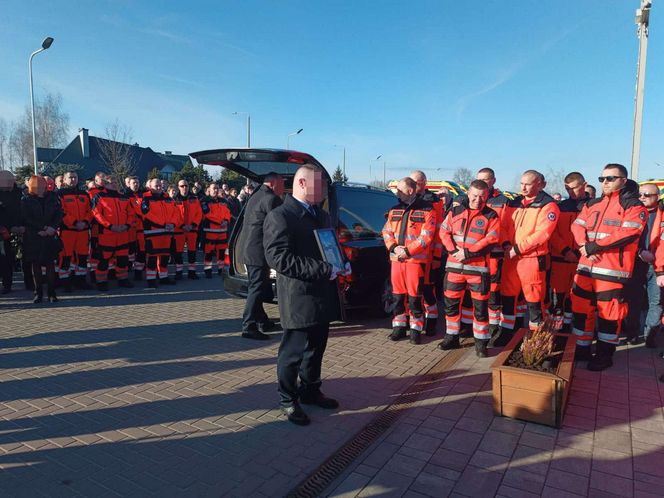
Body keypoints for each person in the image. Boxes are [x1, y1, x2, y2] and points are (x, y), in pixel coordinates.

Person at [263, 163, 347, 426]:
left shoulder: (320, 216)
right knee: (293, 353)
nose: (323, 190)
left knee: (316, 348)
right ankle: (288, 399)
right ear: (301, 183)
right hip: (299, 296)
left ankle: (311, 390)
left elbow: (329, 246)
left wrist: (342, 262)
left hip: (322, 293)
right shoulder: (281, 216)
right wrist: (324, 269)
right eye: (319, 184)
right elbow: (280, 258)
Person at [571, 164, 647, 371]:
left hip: (611, 271)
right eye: (602, 178)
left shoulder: (633, 206)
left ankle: (605, 355)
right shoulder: (592, 203)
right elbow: (577, 225)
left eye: (610, 178)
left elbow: (628, 233)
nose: (605, 182)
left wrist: (594, 246)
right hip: (586, 267)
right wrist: (583, 246)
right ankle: (582, 348)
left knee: (608, 316)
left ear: (623, 180)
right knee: (580, 311)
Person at [492, 170, 560, 347]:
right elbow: (504, 225)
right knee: (507, 296)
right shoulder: (515, 203)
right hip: (510, 257)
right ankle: (507, 332)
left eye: (528, 184)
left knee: (534, 301)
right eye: (521, 183)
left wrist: (518, 248)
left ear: (540, 184)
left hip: (531, 259)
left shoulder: (548, 205)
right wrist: (507, 244)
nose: (523, 187)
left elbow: (542, 234)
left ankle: (536, 340)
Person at [437, 180, 499, 357]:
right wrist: (453, 250)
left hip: (478, 271)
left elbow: (491, 241)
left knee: (480, 309)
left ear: (487, 196)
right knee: (451, 306)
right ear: (468, 194)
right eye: (474, 196)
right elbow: (444, 232)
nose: (477, 200)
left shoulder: (491, 216)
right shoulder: (455, 211)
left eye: (482, 196)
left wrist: (467, 253)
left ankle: (481, 343)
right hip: (454, 268)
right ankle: (452, 337)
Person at [383, 177, 436, 345]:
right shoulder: (394, 210)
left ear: (411, 191)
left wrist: (407, 251)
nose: (397, 193)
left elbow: (426, 237)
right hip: (396, 261)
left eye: (400, 190)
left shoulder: (428, 210)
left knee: (415, 298)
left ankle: (415, 329)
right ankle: (398, 327)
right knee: (397, 297)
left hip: (414, 262)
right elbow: (386, 231)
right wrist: (393, 248)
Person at [239, 173, 284, 340]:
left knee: (257, 286)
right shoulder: (271, 199)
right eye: (281, 183)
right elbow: (279, 225)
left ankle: (261, 320)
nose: (283, 187)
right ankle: (248, 325)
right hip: (258, 251)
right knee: (256, 288)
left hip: (249, 249)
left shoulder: (256, 195)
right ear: (273, 183)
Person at [624, 182, 663, 347]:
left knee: (656, 301)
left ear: (657, 197)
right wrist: (640, 252)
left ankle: (650, 335)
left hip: (657, 267)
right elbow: (625, 238)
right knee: (633, 300)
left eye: (647, 195)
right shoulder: (632, 213)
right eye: (640, 195)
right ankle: (632, 333)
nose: (642, 198)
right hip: (635, 263)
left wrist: (661, 269)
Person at [549, 172, 589, 330]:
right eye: (567, 189)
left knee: (577, 297)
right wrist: (565, 250)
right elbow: (553, 233)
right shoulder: (560, 207)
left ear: (584, 185)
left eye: (574, 188)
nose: (571, 192)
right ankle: (560, 329)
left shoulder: (593, 206)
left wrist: (581, 251)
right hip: (560, 259)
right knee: (557, 297)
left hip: (583, 260)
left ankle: (577, 328)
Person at [410, 170, 444, 336]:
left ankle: (431, 323)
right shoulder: (408, 200)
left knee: (428, 291)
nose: (414, 184)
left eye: (417, 181)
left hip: (428, 256)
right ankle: (416, 323)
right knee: (412, 292)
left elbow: (439, 232)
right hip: (410, 257)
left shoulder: (434, 202)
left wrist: (437, 256)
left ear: (424, 182)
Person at [21, 175, 63, 303]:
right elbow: (25, 217)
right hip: (34, 235)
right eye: (37, 184)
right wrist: (41, 228)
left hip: (49, 234)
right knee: (36, 266)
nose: (40, 187)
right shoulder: (26, 200)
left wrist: (52, 228)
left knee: (50, 265)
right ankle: (38, 292)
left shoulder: (52, 198)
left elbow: (59, 214)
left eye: (42, 184)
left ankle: (52, 292)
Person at [90, 179, 134, 291]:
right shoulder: (99, 196)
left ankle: (122, 279)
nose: (114, 184)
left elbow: (131, 213)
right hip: (107, 233)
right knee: (104, 259)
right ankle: (101, 281)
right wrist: (109, 226)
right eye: (111, 182)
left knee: (123, 259)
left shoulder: (124, 197)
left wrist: (127, 225)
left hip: (123, 233)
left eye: (115, 182)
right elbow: (96, 214)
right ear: (105, 184)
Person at [58, 171, 92, 291]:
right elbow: (61, 212)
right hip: (67, 231)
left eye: (75, 177)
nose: (73, 180)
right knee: (65, 258)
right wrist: (75, 223)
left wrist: (85, 222)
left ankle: (80, 281)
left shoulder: (84, 194)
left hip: (83, 231)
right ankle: (65, 282)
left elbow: (90, 211)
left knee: (82, 257)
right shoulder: (60, 194)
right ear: (64, 179)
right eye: (70, 177)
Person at [141, 178, 177, 287]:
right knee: (152, 258)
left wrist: (173, 224)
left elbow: (176, 213)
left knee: (165, 257)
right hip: (153, 233)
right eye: (156, 186)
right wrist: (164, 224)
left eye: (160, 185)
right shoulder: (146, 198)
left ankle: (163, 277)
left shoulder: (168, 199)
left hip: (167, 233)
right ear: (150, 186)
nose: (158, 187)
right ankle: (151, 280)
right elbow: (147, 214)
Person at [0, 171, 24, 294]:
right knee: (4, 260)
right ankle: (6, 285)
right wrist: (8, 228)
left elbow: (25, 211)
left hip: (21, 229)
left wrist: (22, 227)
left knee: (18, 259)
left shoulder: (20, 193)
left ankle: (29, 283)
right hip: (3, 232)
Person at [174, 180, 204, 279]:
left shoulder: (195, 199)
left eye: (186, 185)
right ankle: (179, 273)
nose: (184, 187)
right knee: (178, 252)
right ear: (178, 187)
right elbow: (173, 215)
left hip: (192, 229)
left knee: (192, 252)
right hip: (179, 230)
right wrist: (182, 225)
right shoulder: (174, 200)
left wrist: (192, 225)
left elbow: (199, 213)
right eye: (182, 186)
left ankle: (192, 272)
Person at [201, 183, 231, 278]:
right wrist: (220, 222)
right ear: (209, 189)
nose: (216, 190)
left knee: (221, 251)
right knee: (208, 252)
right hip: (210, 231)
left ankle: (221, 269)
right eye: (214, 188)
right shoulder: (204, 201)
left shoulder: (223, 201)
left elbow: (227, 212)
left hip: (222, 231)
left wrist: (226, 220)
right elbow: (207, 215)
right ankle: (208, 270)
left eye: (217, 188)